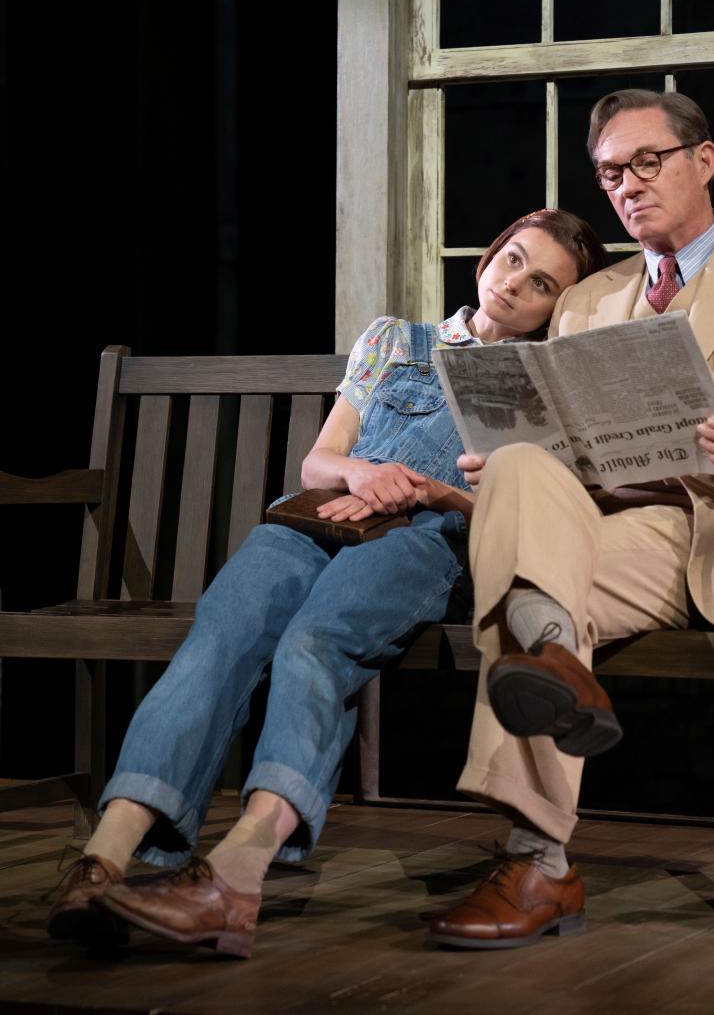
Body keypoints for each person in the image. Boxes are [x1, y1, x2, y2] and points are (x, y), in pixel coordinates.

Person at [47, 208, 607, 958]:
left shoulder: (538, 385)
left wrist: (434, 494)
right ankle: (104, 857)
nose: (513, 284)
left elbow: (521, 509)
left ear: (555, 306)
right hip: (318, 518)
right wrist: (365, 473)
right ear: (486, 258)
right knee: (222, 632)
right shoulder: (394, 341)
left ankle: (238, 867)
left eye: (540, 282)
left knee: (318, 638)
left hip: (424, 537)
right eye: (510, 259)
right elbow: (320, 461)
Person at [428, 89, 714, 950]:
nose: (626, 185)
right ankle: (554, 657)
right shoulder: (592, 294)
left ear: (702, 161)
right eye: (608, 173)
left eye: (646, 162)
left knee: (521, 586)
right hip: (597, 521)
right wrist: (516, 452)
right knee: (517, 466)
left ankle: (537, 856)